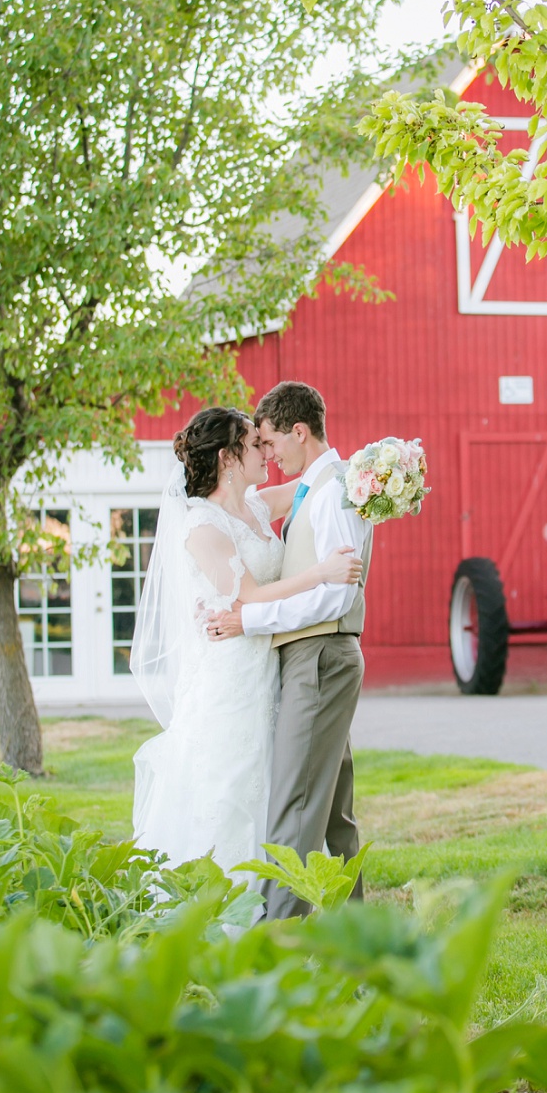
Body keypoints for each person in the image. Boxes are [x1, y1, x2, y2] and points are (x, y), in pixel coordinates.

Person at [129, 405, 362, 877]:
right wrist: (322, 572)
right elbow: (250, 594)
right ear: (227, 458)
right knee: (230, 784)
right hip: (229, 675)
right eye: (256, 444)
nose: (266, 453)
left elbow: (313, 481)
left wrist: (378, 474)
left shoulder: (255, 506)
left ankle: (271, 903)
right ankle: (219, 904)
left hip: (267, 665)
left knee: (272, 785)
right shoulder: (201, 526)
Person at [205, 380, 373, 920]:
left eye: (272, 443)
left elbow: (336, 594)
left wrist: (249, 619)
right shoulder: (317, 487)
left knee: (295, 813)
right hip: (315, 658)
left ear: (299, 432)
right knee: (331, 820)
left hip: (320, 656)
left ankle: (280, 955)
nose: (269, 455)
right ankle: (362, 948)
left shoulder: (335, 493)